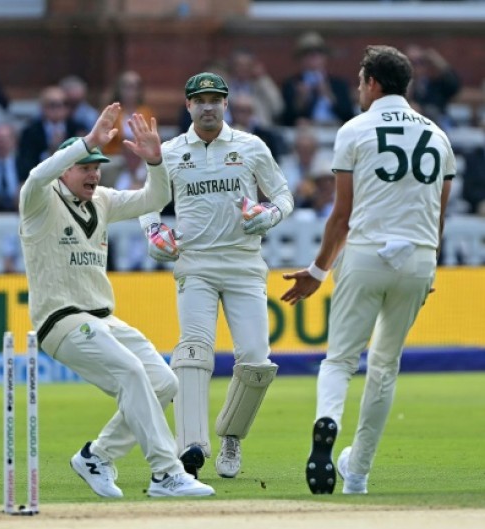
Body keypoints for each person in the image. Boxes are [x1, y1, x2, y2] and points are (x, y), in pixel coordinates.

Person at [281, 45, 455, 495]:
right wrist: (428, 268)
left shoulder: (355, 130)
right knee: (385, 367)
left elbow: (342, 215)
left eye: (360, 82)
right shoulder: (438, 135)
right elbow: (438, 215)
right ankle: (356, 472)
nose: (358, 89)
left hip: (366, 255)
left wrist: (318, 272)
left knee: (340, 359)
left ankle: (327, 422)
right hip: (417, 258)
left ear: (373, 83)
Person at [20, 101, 214, 498]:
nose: (93, 175)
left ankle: (96, 456)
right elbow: (35, 178)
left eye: (97, 167)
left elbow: (152, 200)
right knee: (130, 372)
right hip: (61, 321)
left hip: (102, 318)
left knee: (162, 381)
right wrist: (89, 140)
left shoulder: (103, 200)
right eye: (85, 167)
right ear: (65, 168)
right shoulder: (40, 201)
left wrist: (156, 162)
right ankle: (165, 472)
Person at [139, 72, 292, 480]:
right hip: (195, 264)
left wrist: (268, 216)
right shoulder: (170, 152)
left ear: (226, 104)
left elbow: (283, 196)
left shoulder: (251, 146)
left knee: (257, 362)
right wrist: (155, 234)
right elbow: (148, 204)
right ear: (188, 106)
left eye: (215, 99)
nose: (208, 106)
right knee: (193, 351)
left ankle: (231, 438)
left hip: (244, 265)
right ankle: (190, 447)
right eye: (200, 100)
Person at [280, 32, 355, 126]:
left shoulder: (338, 83)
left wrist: (329, 96)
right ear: (300, 58)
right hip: (307, 133)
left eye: (318, 52)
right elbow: (286, 119)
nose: (313, 56)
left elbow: (349, 115)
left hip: (335, 128)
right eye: (307, 53)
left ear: (325, 57)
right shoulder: (292, 83)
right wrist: (300, 101)